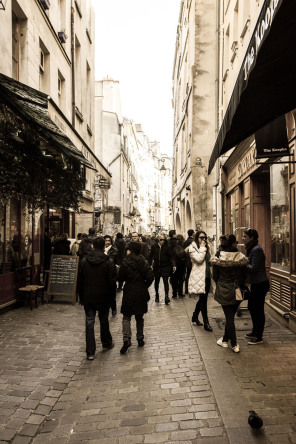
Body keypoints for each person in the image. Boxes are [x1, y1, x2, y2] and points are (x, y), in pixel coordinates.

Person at [77, 236, 116, 360]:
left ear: (92, 246)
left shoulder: (84, 261)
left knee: (89, 322)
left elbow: (80, 281)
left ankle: (90, 352)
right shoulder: (108, 261)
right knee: (104, 320)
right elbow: (111, 282)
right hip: (103, 296)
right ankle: (106, 343)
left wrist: (81, 297)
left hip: (89, 296)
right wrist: (112, 298)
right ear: (104, 246)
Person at [210, 234, 248, 353]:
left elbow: (215, 276)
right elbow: (244, 275)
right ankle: (225, 340)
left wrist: (220, 283)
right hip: (237, 290)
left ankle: (234, 343)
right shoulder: (240, 256)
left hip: (223, 289)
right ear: (233, 243)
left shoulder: (218, 256)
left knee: (229, 317)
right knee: (230, 316)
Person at [118, 241, 154, 354]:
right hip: (140, 291)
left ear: (130, 250)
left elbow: (120, 277)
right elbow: (150, 276)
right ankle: (140, 337)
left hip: (129, 291)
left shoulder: (125, 262)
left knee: (126, 317)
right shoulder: (143, 262)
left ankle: (126, 339)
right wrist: (144, 285)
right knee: (139, 316)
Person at [242, 228, 270, 345]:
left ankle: (259, 336)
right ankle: (255, 331)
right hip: (255, 284)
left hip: (260, 284)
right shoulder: (251, 248)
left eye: (245, 236)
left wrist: (243, 262)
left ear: (251, 238)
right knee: (252, 308)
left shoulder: (256, 250)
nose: (243, 238)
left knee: (258, 310)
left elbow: (254, 268)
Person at [186, 231, 213, 331]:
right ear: (197, 238)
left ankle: (195, 316)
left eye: (205, 237)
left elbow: (209, 260)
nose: (204, 239)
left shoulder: (207, 247)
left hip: (207, 276)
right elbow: (199, 259)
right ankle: (206, 323)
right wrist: (202, 248)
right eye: (201, 237)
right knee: (204, 299)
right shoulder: (192, 248)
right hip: (199, 277)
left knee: (203, 298)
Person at [148, 234, 172, 305]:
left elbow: (171, 257)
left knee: (165, 282)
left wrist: (173, 265)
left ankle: (166, 296)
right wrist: (149, 265)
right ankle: (157, 295)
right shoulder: (154, 246)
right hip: (156, 267)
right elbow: (150, 256)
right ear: (158, 240)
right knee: (157, 282)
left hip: (165, 266)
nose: (162, 241)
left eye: (164, 240)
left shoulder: (167, 247)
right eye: (161, 240)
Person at [104, 234, 118, 316]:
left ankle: (113, 308)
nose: (107, 242)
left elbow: (116, 262)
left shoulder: (114, 250)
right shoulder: (100, 249)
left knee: (112, 294)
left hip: (111, 275)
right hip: (102, 275)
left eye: (109, 241)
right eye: (106, 241)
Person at [183, 229, 195, 295]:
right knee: (192, 275)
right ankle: (191, 289)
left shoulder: (185, 241)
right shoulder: (193, 241)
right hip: (192, 260)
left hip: (187, 261)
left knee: (188, 275)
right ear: (192, 233)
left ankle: (186, 289)